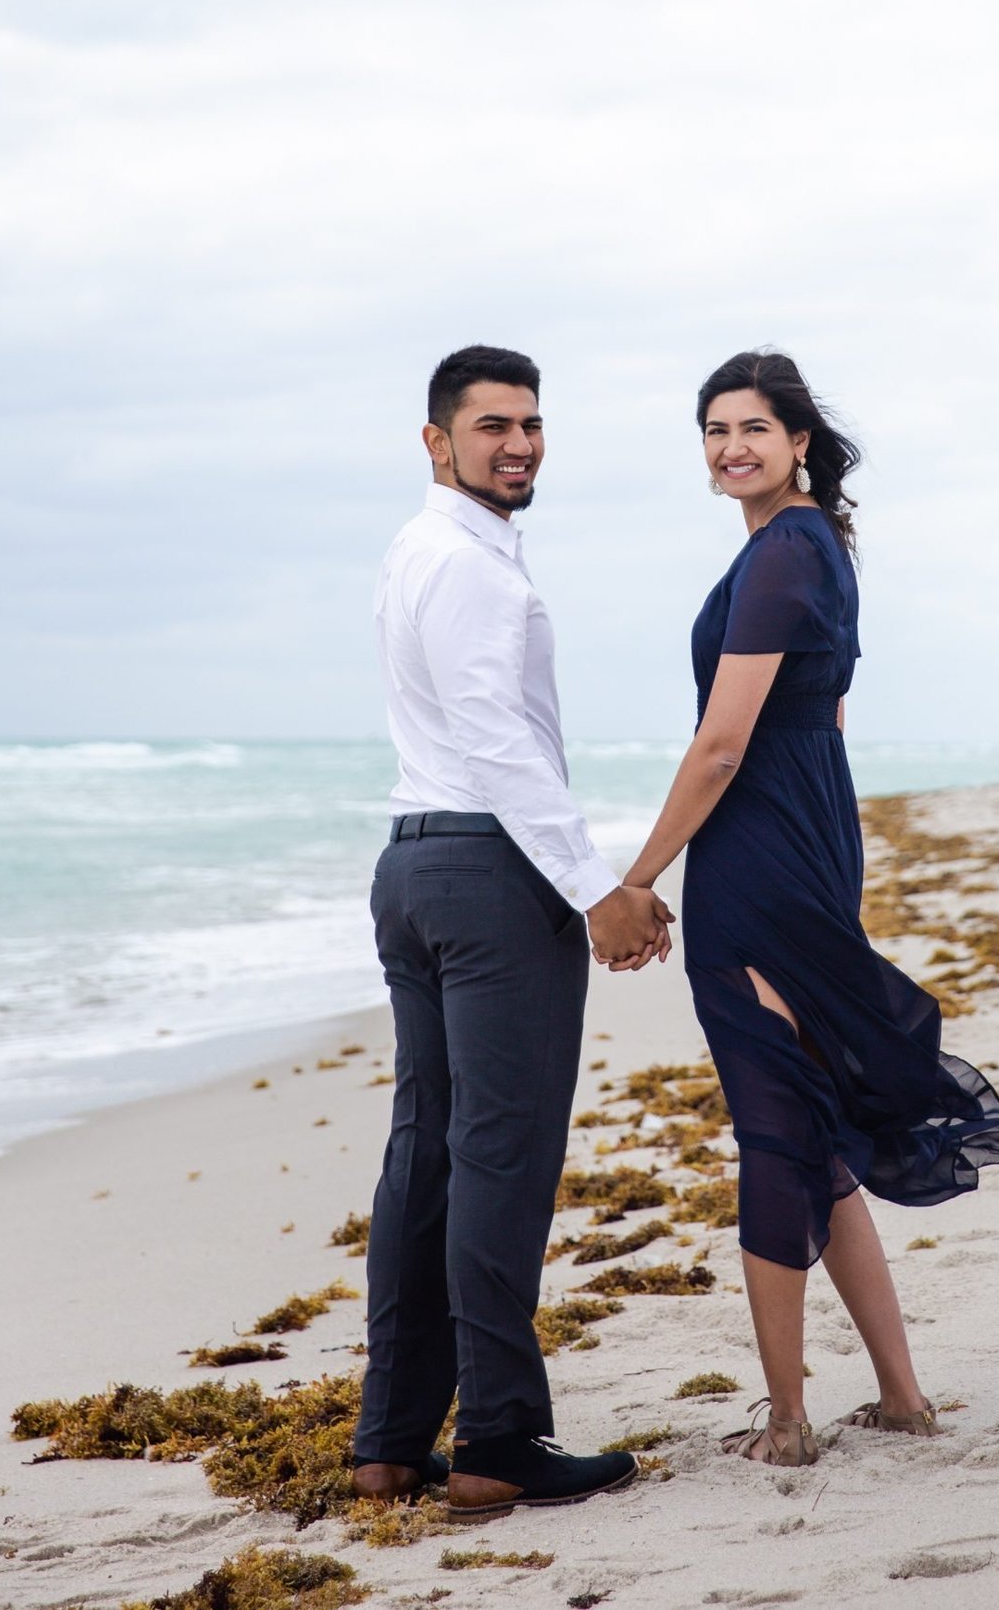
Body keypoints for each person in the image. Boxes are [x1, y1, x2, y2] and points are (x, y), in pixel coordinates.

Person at [622, 350, 999, 1467]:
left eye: (753, 427)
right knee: (808, 1127)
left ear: (798, 441)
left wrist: (639, 878)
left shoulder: (781, 555)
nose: (730, 447)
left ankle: (790, 1421)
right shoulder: (816, 549)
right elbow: (829, 719)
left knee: (771, 1130)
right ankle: (900, 1397)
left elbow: (720, 745)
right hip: (807, 841)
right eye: (714, 431)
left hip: (757, 865)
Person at [352, 344, 673, 1515]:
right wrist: (595, 888)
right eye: (492, 426)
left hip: (414, 865)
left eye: (531, 425)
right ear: (436, 440)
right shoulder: (469, 566)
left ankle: (391, 1444)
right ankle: (497, 1438)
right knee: (501, 1154)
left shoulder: (418, 549)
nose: (519, 445)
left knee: (428, 1153)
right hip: (486, 875)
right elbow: (496, 741)